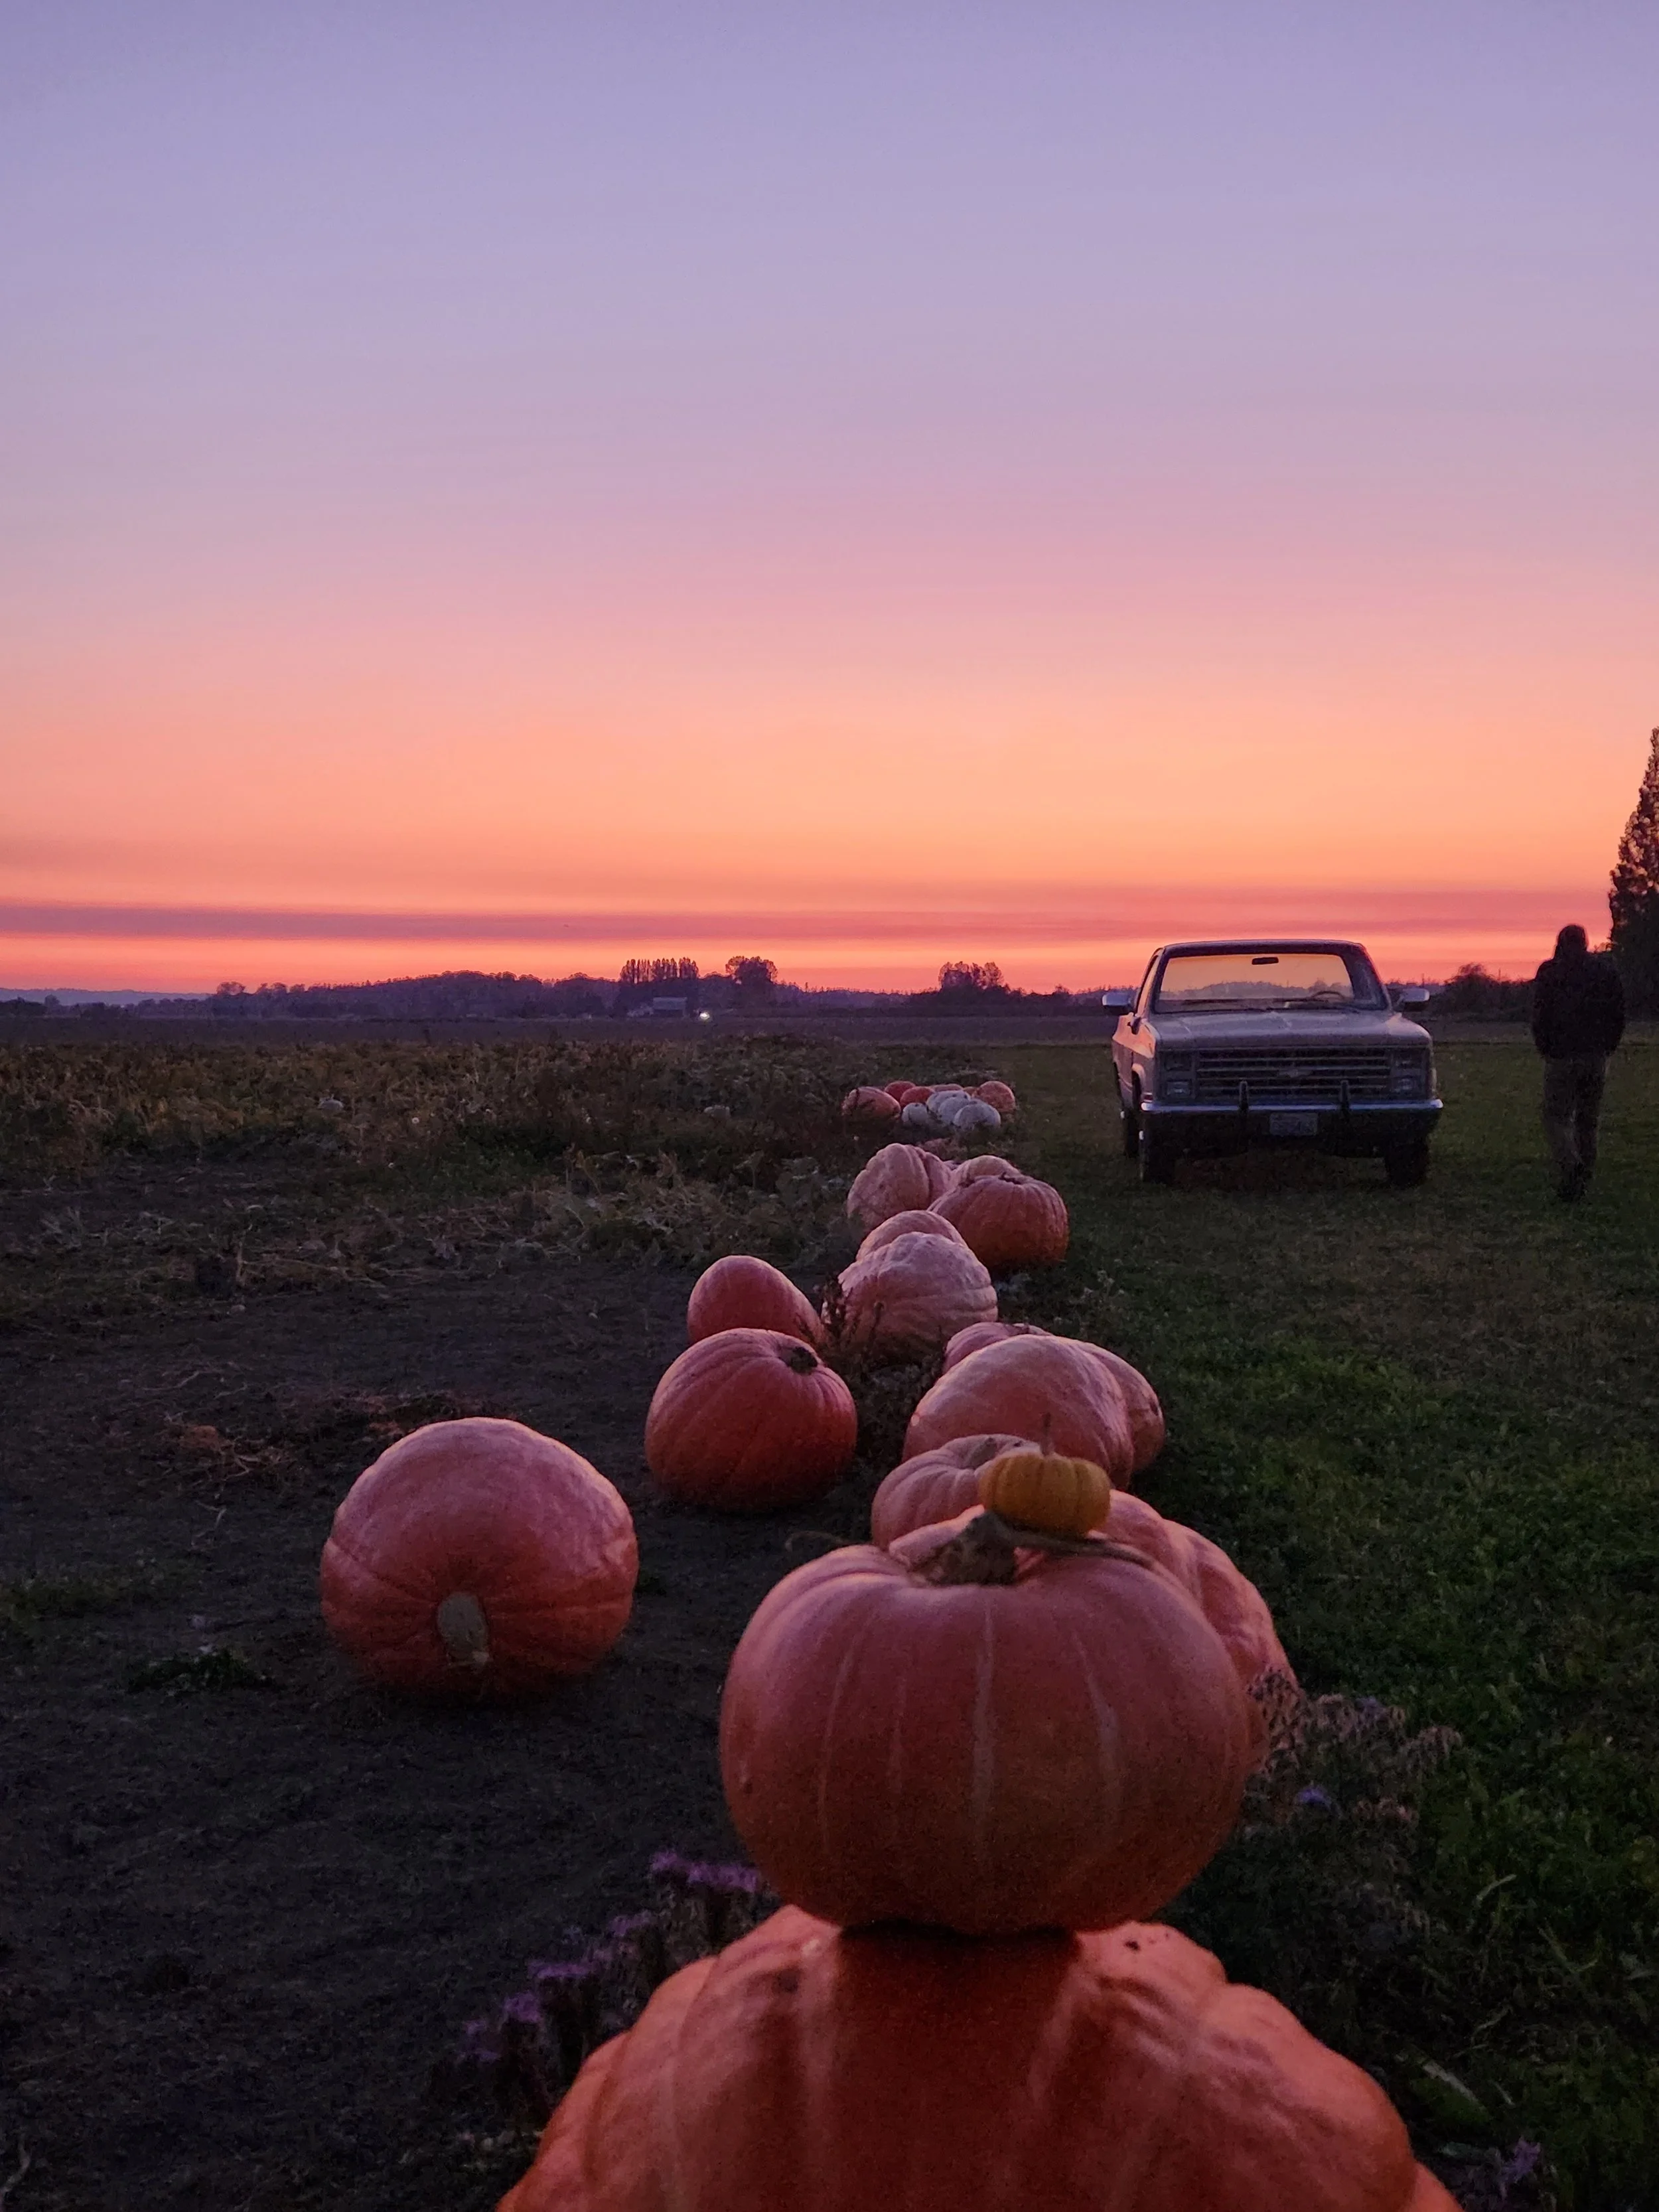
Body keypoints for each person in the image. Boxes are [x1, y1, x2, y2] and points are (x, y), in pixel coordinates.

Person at [1530, 924, 1625, 1199]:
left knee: (1556, 1117)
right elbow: (1618, 1012)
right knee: (1588, 1119)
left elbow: (1539, 1014)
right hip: (1596, 1055)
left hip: (1561, 1056)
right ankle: (1586, 1171)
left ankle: (1571, 1165)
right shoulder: (1605, 970)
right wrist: (1609, 1046)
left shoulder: (1550, 972)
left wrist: (1545, 1047)